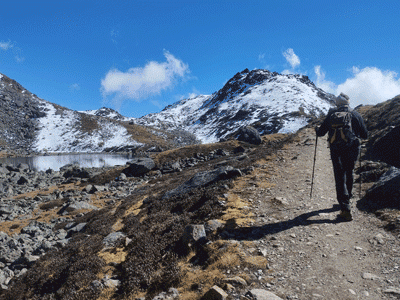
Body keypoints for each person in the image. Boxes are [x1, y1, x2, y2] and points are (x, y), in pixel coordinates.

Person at [316, 93, 368, 221]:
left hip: (336, 150)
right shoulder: (355, 114)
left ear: (337, 103)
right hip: (352, 149)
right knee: (349, 171)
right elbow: (365, 135)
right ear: (348, 102)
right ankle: (348, 198)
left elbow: (321, 133)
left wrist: (317, 129)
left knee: (340, 176)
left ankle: (345, 207)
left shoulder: (331, 115)